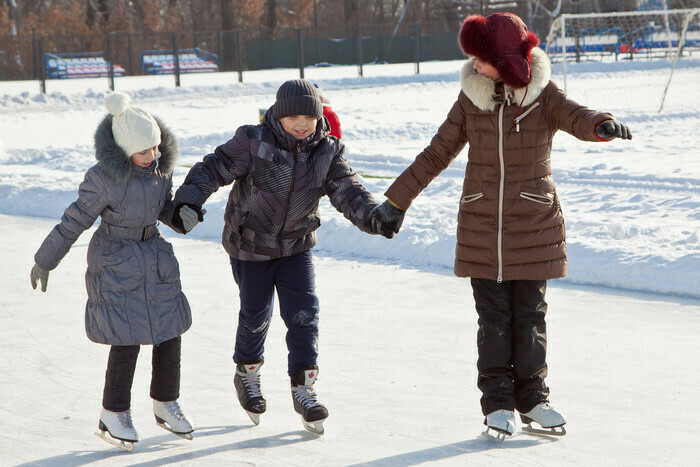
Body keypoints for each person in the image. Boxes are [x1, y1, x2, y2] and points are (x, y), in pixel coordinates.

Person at [369, 12, 632, 443]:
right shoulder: (470, 99)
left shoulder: (543, 96)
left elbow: (576, 115)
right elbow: (437, 152)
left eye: (481, 58)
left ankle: (533, 399)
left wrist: (601, 124)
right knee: (494, 321)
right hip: (482, 228)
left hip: (534, 227)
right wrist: (396, 201)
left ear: (507, 60)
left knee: (530, 319)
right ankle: (498, 404)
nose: (474, 65)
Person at [173, 79, 379, 434]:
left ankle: (304, 388)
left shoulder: (327, 151)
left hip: (296, 247)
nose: (302, 124)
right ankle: (247, 373)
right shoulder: (253, 141)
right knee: (256, 313)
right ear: (279, 115)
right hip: (250, 246)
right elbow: (213, 167)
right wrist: (188, 200)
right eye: (294, 116)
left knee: (304, 315)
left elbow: (348, 190)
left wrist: (374, 215)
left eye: (310, 117)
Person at [30, 91, 202, 450]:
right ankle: (114, 412)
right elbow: (74, 220)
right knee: (127, 340)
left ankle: (165, 401)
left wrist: (179, 217)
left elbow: (163, 209)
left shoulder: (160, 171)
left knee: (171, 330)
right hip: (117, 262)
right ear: (125, 151)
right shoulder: (103, 179)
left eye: (156, 148)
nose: (153, 156)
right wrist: (46, 259)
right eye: (144, 151)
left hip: (154, 258)